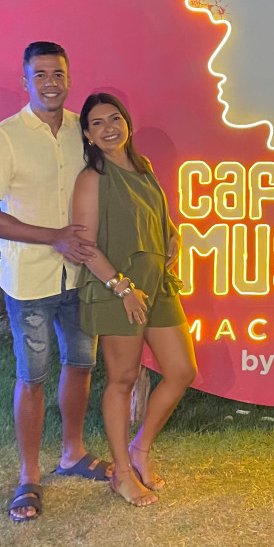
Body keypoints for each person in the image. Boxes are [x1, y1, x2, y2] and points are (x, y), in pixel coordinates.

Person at [0, 41, 109, 523]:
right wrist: (52, 237)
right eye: (40, 75)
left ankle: (72, 453)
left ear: (69, 78)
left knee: (80, 364)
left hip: (80, 274)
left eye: (58, 73)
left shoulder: (84, 130)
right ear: (26, 81)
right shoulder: (5, 137)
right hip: (30, 279)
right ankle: (29, 475)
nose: (51, 82)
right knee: (32, 377)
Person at [72, 93, 196, 507]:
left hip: (156, 284)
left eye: (114, 119)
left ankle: (140, 448)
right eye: (97, 123)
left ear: (126, 122)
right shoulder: (92, 178)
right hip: (117, 290)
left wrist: (172, 234)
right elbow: (85, 246)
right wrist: (122, 288)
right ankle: (122, 474)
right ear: (87, 134)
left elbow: (155, 216)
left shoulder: (144, 168)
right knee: (122, 379)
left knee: (181, 370)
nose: (108, 128)